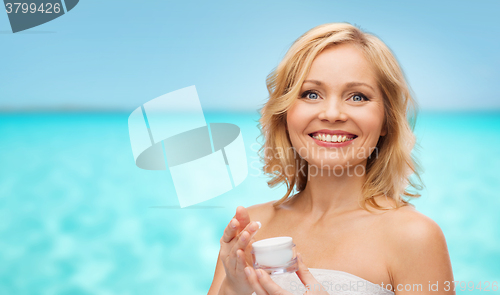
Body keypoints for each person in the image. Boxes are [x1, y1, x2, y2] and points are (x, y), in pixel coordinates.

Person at [207, 22, 454, 295]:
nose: (332, 113)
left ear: (386, 120)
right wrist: (232, 288)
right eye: (311, 94)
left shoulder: (414, 237)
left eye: (357, 97)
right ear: (285, 114)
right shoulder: (251, 228)